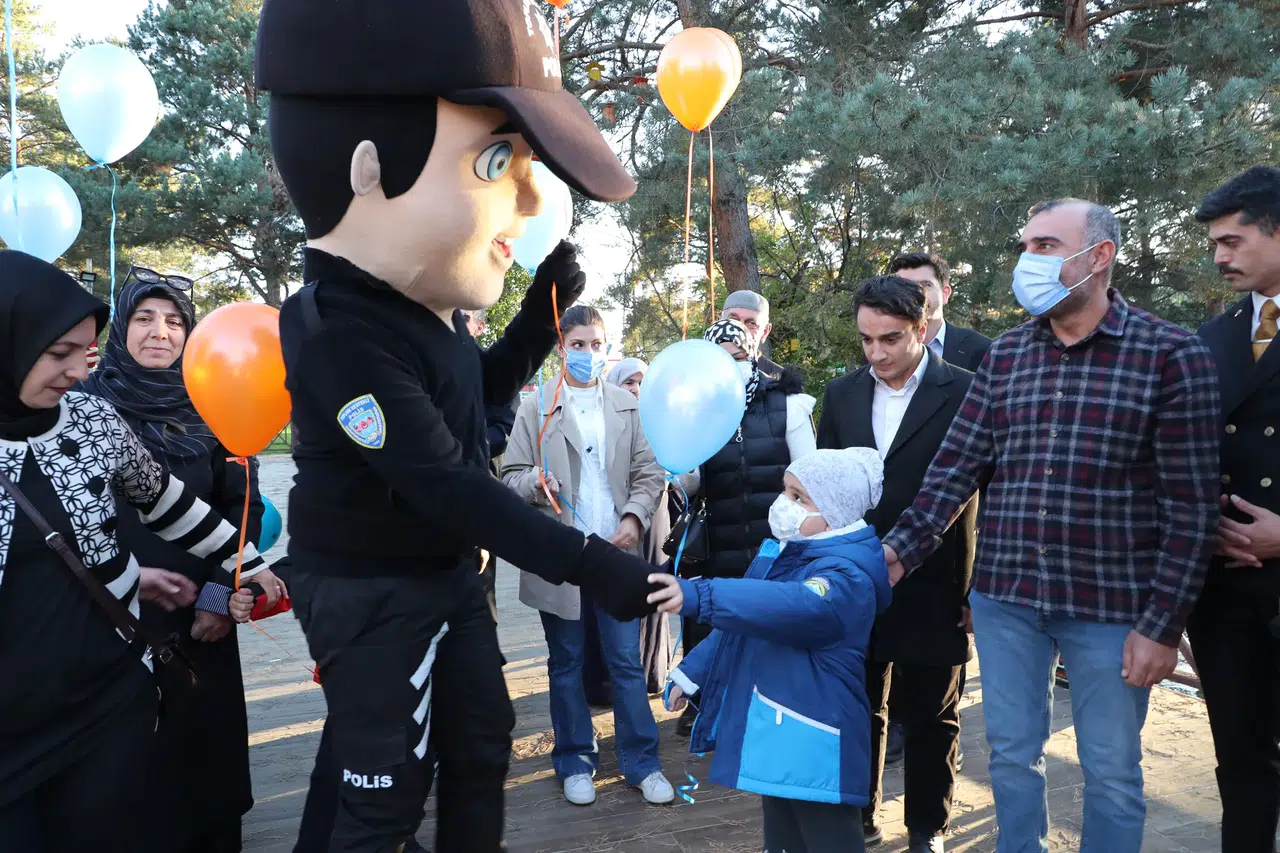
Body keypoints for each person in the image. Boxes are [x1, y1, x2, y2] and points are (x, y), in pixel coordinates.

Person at [253, 0, 663, 849]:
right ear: (367, 165)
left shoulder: (417, 312)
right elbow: (442, 478)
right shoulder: (336, 327)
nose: (527, 199)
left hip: (441, 574)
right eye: (497, 161)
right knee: (384, 791)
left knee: (481, 745)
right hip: (369, 591)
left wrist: (538, 322)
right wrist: (590, 564)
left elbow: (469, 399)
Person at [879, 199, 1221, 852]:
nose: (1028, 260)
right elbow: (953, 473)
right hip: (1007, 598)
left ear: (1098, 256)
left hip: (1112, 605)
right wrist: (894, 555)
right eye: (1026, 245)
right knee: (1010, 758)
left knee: (1112, 771)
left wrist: (1163, 625)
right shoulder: (1006, 357)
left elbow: (1191, 507)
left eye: (1045, 245)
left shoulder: (1170, 354)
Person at [0, 250, 281, 852]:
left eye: (84, 352)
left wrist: (243, 565)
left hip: (112, 690)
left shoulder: (91, 418)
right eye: (58, 354)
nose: (78, 370)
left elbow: (166, 502)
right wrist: (134, 571)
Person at [78, 276, 263, 853]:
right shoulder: (83, 410)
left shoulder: (217, 404)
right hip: (106, 617)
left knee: (205, 768)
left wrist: (219, 595)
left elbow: (243, 505)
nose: (160, 332)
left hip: (201, 619)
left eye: (175, 321)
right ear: (121, 329)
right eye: (144, 318)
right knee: (125, 772)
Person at [652, 447, 892, 853]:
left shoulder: (845, 576)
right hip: (779, 731)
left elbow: (791, 606)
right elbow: (745, 625)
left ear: (835, 510)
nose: (784, 504)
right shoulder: (790, 553)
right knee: (782, 839)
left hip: (817, 739)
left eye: (800, 498)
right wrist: (694, 672)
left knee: (828, 839)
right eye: (786, 491)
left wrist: (700, 595)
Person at [817, 275, 977, 853]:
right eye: (865, 340)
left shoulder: (965, 391)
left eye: (889, 339)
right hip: (855, 579)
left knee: (934, 713)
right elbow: (825, 493)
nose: (876, 353)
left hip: (939, 582)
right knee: (858, 702)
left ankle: (926, 828)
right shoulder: (840, 395)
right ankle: (858, 813)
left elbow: (990, 494)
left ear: (922, 328)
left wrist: (974, 591)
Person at [502, 306, 673, 806]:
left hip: (614, 554)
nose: (589, 353)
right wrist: (533, 482)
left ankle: (642, 761)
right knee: (567, 661)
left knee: (624, 661)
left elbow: (650, 471)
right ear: (561, 347)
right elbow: (509, 474)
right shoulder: (535, 408)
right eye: (579, 344)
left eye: (597, 344)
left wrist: (633, 519)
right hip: (561, 556)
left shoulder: (627, 403)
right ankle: (575, 757)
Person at [1188, 164, 1280, 852]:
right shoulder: (1211, 340)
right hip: (1225, 596)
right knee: (1241, 765)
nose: (1220, 256)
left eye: (1232, 240)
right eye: (1214, 243)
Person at [677, 316, 815, 736]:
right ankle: (707, 704)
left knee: (770, 625)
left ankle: (770, 709)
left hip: (776, 541)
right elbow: (688, 482)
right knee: (714, 619)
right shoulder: (694, 409)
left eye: (737, 356)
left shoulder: (787, 403)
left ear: (751, 354)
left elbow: (808, 474)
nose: (729, 364)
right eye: (718, 358)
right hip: (717, 537)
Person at [888, 253, 992, 372]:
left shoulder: (981, 349)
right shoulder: (880, 348)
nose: (915, 293)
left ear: (945, 293)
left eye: (925, 285)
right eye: (905, 285)